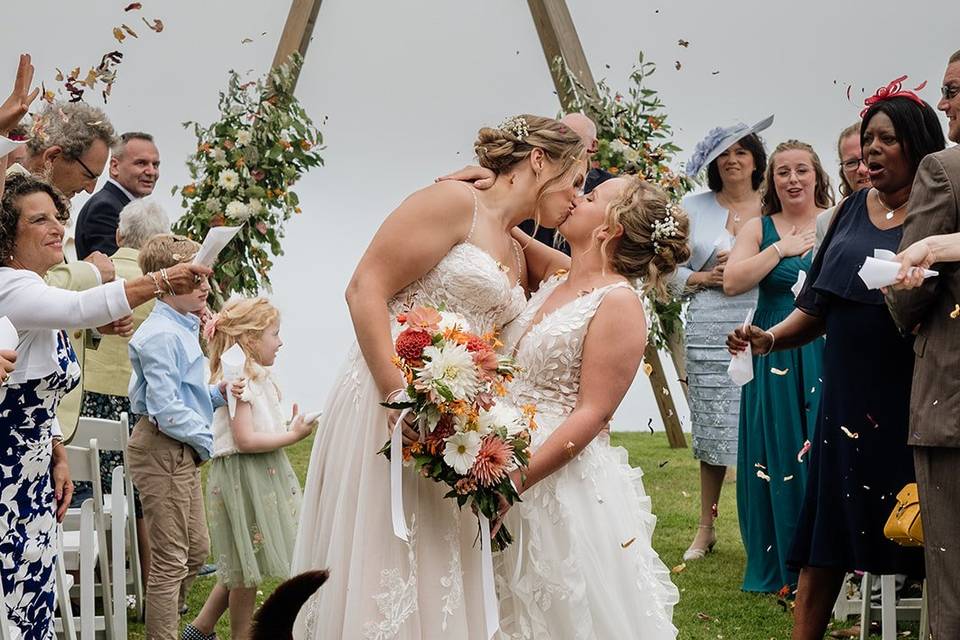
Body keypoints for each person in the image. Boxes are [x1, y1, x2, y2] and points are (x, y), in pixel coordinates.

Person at [290, 114, 585, 638]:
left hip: (453, 422)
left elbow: (576, 276)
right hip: (387, 398)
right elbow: (364, 288)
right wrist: (398, 397)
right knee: (385, 551)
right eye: (575, 181)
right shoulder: (450, 203)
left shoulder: (516, 249)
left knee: (435, 559)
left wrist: (509, 216)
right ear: (539, 162)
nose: (577, 199)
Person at [731, 85, 945, 639]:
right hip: (844, 401)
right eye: (866, 139)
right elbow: (816, 308)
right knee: (825, 538)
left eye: (886, 139)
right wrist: (768, 339)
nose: (871, 151)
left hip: (912, 398)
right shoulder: (849, 211)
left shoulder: (939, 213)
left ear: (917, 146)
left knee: (924, 534)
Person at [0, 174, 211, 639]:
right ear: (8, 234)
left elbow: (41, 389)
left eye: (58, 217)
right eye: (39, 220)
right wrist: (158, 281)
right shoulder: (10, 286)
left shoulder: (38, 291)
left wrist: (56, 449)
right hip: (7, 475)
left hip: (36, 474)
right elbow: (81, 309)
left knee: (35, 596)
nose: (57, 227)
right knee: (12, 600)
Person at [494, 175, 686, 638]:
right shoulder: (560, 278)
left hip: (552, 475)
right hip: (499, 448)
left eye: (593, 196)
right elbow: (504, 225)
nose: (578, 197)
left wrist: (514, 482)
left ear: (611, 227)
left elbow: (593, 412)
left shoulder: (619, 303)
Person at [722, 140, 831, 593]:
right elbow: (731, 281)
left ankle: (827, 557)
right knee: (780, 446)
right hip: (773, 346)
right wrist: (780, 251)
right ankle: (781, 559)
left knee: (822, 444)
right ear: (772, 180)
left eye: (801, 170)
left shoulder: (836, 215)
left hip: (823, 344)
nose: (792, 179)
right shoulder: (759, 227)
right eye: (783, 172)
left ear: (816, 175)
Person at [125, 233, 245, 640]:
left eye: (205, 278)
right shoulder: (160, 334)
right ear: (169, 281)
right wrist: (205, 440)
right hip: (162, 449)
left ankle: (174, 621)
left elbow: (184, 394)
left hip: (180, 447)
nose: (205, 287)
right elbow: (163, 408)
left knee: (195, 551)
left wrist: (217, 394)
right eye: (196, 280)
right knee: (170, 560)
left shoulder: (181, 326)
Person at [184, 297, 315, 640]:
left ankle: (200, 629)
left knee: (242, 562)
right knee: (245, 570)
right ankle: (241, 635)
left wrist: (287, 425)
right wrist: (292, 436)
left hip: (254, 475)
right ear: (251, 339)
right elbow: (244, 439)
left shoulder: (252, 375)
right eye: (275, 333)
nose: (281, 341)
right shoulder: (239, 379)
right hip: (245, 477)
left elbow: (256, 427)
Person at [886, 49, 960, 640]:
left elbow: (906, 297)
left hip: (953, 404)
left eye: (955, 90)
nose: (944, 103)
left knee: (953, 579)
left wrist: (908, 281)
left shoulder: (944, 171)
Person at [674, 116, 771, 561]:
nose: (732, 161)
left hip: (763, 318)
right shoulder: (692, 208)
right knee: (712, 431)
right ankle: (705, 527)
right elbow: (663, 266)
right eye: (724, 154)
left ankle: (768, 525)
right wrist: (701, 276)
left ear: (755, 160)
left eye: (741, 152)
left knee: (766, 422)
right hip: (709, 324)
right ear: (714, 163)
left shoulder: (774, 204)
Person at [72, 198, 171, 583]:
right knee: (142, 496)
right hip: (136, 399)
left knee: (86, 489)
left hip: (89, 397)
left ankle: (80, 579)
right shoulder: (160, 291)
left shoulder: (98, 277)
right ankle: (149, 580)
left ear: (117, 235)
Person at [75, 131, 160, 259]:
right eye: (141, 163)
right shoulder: (105, 208)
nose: (151, 172)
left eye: (155, 165)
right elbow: (114, 267)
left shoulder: (117, 204)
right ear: (115, 166)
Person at [814, 122, 874, 256]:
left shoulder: (909, 209)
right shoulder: (826, 221)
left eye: (867, 158)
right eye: (851, 163)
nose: (862, 169)